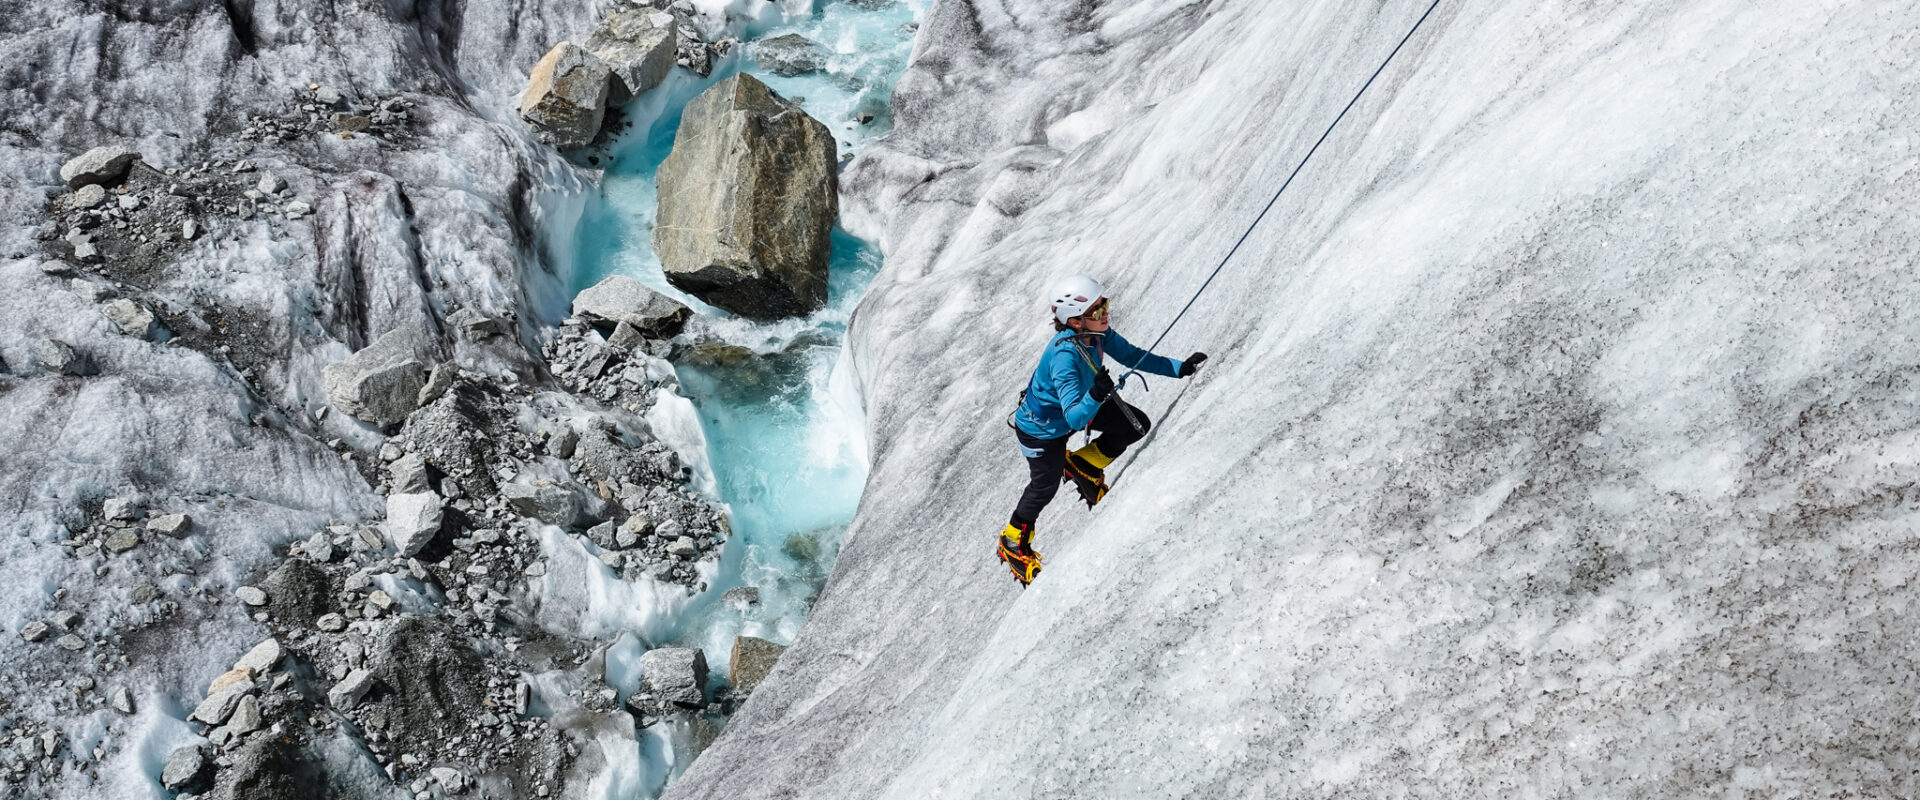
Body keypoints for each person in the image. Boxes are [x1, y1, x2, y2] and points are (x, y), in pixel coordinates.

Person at [997, 275, 1207, 585]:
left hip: (1082, 405)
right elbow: (1074, 420)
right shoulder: (1064, 357)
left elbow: (1133, 356)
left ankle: (1082, 464)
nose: (1105, 313)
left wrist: (1178, 368)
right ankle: (1012, 540)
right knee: (1044, 486)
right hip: (1042, 429)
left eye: (1103, 305)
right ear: (1076, 321)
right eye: (1096, 311)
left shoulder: (1098, 335)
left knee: (1135, 426)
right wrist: (1096, 394)